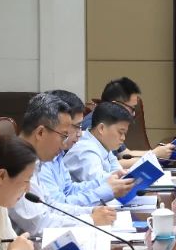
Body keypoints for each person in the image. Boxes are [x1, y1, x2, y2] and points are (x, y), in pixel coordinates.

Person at [10, 92, 117, 236]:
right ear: (40, 133)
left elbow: (51, 206)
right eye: (63, 135)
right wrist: (90, 220)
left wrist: (89, 211)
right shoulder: (15, 164)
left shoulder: (34, 161)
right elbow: (38, 225)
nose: (64, 144)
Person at [37, 89, 132, 207]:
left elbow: (69, 190)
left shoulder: (57, 154)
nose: (80, 133)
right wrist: (107, 192)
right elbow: (57, 206)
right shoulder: (38, 160)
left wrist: (108, 180)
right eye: (76, 126)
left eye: (81, 126)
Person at [100, 77, 175, 161]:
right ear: (115, 105)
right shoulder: (94, 126)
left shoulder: (111, 122)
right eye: (132, 108)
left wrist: (156, 152)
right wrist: (154, 155)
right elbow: (109, 166)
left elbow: (125, 154)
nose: (134, 114)